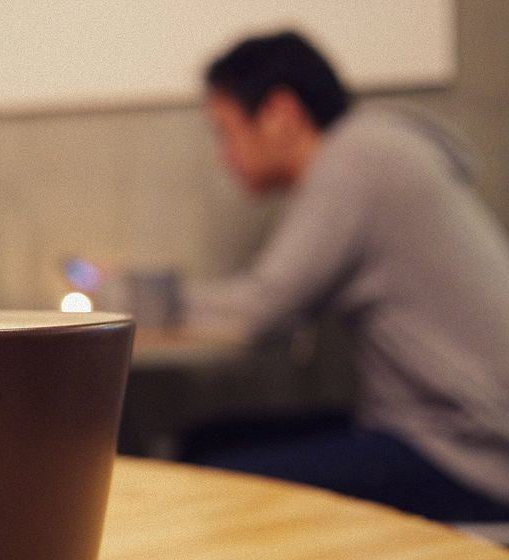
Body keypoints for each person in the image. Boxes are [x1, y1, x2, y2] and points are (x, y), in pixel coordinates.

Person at [179, 32, 509, 521]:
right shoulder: (374, 148)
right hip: (443, 434)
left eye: (226, 132)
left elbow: (260, 308)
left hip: (469, 454)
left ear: (280, 113)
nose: (223, 156)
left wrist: (127, 299)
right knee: (201, 445)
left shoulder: (358, 157)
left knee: (210, 479)